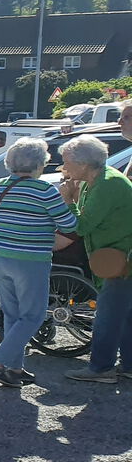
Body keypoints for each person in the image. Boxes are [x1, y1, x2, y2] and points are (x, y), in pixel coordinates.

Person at [0, 138, 77, 387]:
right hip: (30, 258)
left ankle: (15, 367)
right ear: (39, 164)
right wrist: (69, 200)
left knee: (12, 314)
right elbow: (69, 225)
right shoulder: (45, 190)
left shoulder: (1, 185)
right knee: (33, 315)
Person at [58, 135, 132, 383]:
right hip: (119, 257)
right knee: (125, 314)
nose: (63, 167)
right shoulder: (99, 180)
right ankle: (128, 365)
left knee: (108, 315)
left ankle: (101, 368)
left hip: (121, 259)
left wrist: (68, 200)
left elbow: (81, 226)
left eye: (67, 162)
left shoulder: (107, 184)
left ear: (84, 163)